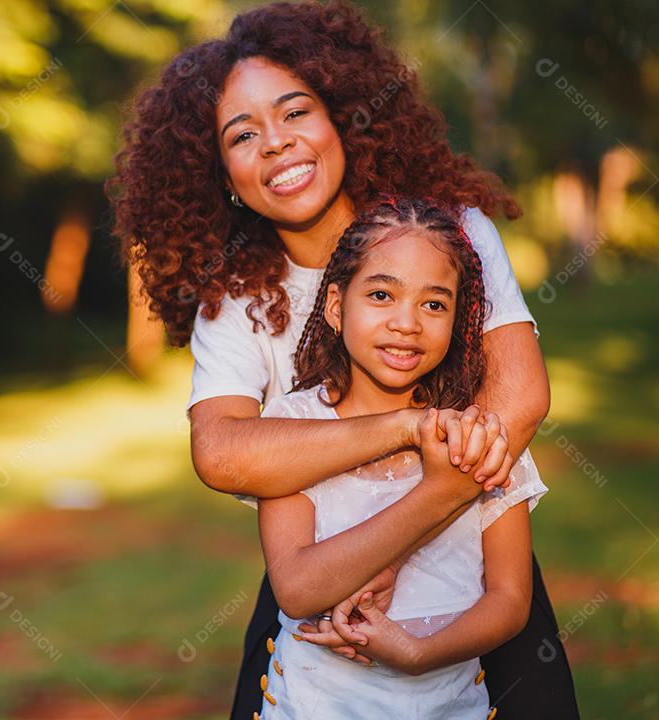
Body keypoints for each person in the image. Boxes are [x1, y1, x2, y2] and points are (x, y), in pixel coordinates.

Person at [108, 2, 579, 718]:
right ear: (222, 175)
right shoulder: (235, 296)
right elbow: (224, 450)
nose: (276, 144)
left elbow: (520, 397)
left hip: (472, 567)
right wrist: (404, 430)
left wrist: (400, 537)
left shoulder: (451, 233)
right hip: (321, 582)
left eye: (296, 112)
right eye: (242, 135)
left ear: (342, 118)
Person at [256, 198, 545, 719]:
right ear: (336, 306)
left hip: (450, 705)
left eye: (434, 304)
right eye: (382, 294)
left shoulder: (479, 437)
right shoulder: (294, 427)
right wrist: (437, 495)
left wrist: (418, 654)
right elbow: (297, 589)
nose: (407, 323)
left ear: (459, 320)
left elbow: (509, 598)